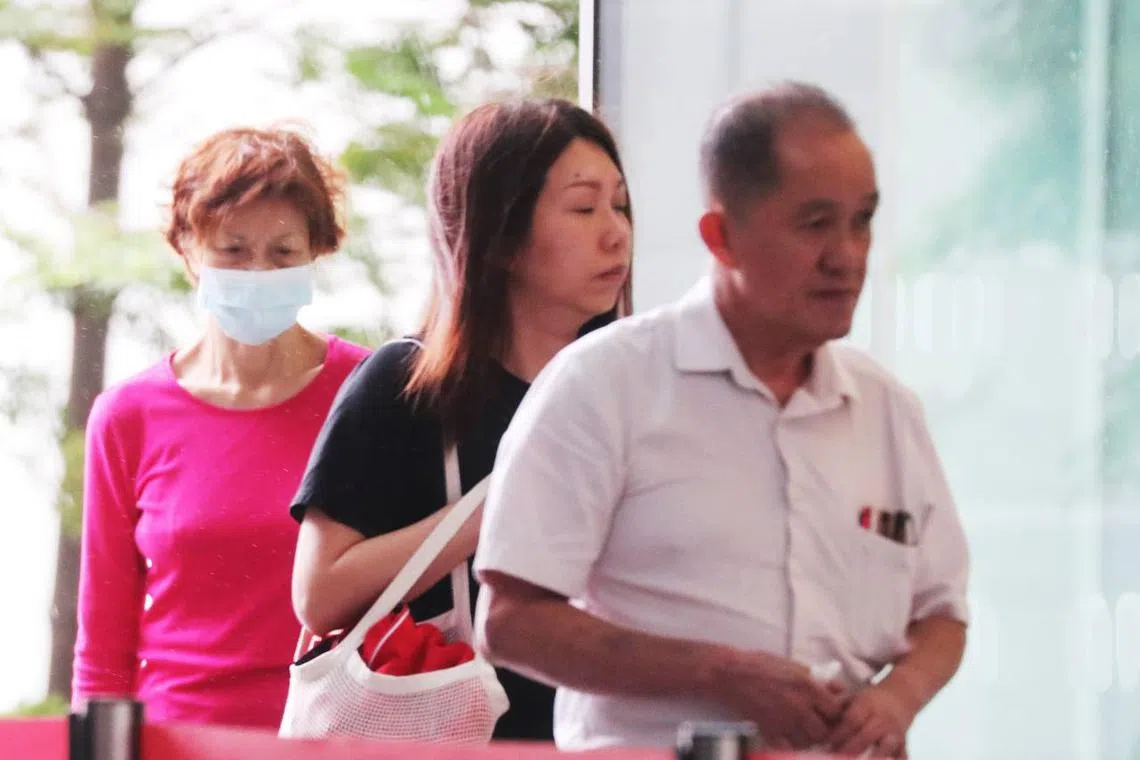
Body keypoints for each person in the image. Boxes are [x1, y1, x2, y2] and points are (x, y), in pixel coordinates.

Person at [472, 82, 970, 757]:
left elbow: (941, 616)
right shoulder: (606, 383)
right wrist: (723, 675)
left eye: (863, 220)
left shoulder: (887, 409)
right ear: (722, 236)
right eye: (815, 223)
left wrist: (895, 699)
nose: (847, 255)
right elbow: (511, 622)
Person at [288, 98, 634, 741]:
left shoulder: (628, 393)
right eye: (584, 208)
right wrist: (497, 507)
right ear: (501, 237)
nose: (615, 233)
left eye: (620, 205)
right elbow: (319, 593)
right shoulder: (405, 383)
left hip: (603, 737)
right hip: (455, 738)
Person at [73, 127, 371, 729]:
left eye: (282, 253)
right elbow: (103, 649)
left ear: (315, 252)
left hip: (334, 733)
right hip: (176, 737)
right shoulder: (127, 416)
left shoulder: (369, 391)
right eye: (233, 251)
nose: (258, 271)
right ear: (186, 248)